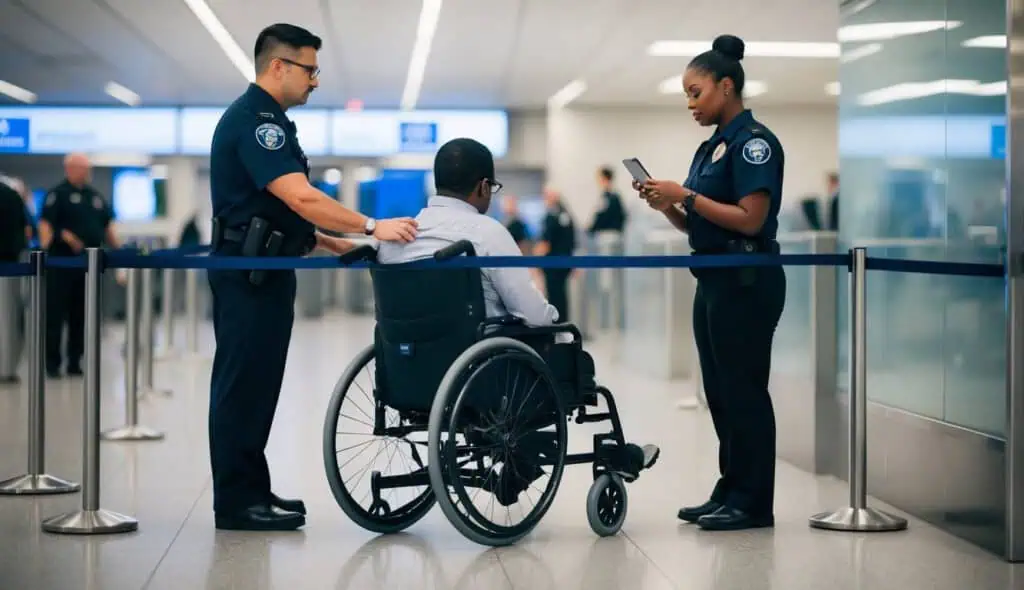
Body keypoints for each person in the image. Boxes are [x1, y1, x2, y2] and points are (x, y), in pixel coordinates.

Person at [206, 22, 418, 532]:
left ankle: (251, 490)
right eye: (309, 69)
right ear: (278, 66)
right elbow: (299, 196)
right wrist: (372, 224)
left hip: (265, 268)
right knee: (242, 386)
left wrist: (330, 241)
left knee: (258, 387)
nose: (316, 80)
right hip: (248, 273)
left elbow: (275, 209)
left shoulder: (269, 119)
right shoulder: (259, 121)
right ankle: (236, 502)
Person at [377, 138, 659, 493]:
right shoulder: (486, 233)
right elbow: (532, 313)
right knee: (573, 360)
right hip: (481, 380)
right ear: (482, 187)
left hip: (407, 379)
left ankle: (517, 466)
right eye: (492, 188)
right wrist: (554, 320)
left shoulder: (396, 238)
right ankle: (540, 462)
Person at [636, 34, 786, 531]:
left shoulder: (755, 144)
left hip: (747, 282)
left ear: (726, 86)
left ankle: (753, 502)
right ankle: (731, 489)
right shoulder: (713, 148)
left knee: (744, 391)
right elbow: (702, 224)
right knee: (719, 393)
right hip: (716, 280)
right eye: (686, 95)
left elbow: (750, 220)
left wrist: (688, 196)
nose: (690, 103)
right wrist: (671, 207)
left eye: (695, 92)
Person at [38, 154, 121, 378]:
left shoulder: (94, 197)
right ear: (70, 168)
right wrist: (49, 247)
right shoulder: (57, 195)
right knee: (56, 314)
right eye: (83, 167)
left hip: (88, 267)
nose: (87, 171)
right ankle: (52, 363)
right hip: (61, 265)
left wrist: (120, 255)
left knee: (81, 315)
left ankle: (75, 361)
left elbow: (107, 226)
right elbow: (45, 225)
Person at [534, 188, 576, 322]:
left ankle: (556, 324)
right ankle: (564, 323)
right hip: (565, 263)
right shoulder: (566, 215)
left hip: (552, 264)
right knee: (562, 296)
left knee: (553, 297)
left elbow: (545, 243)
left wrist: (535, 261)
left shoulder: (551, 216)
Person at [588, 166, 626, 235]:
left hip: (608, 234)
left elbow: (602, 218)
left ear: (604, 179)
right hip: (612, 233)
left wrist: (591, 229)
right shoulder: (613, 196)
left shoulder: (609, 198)